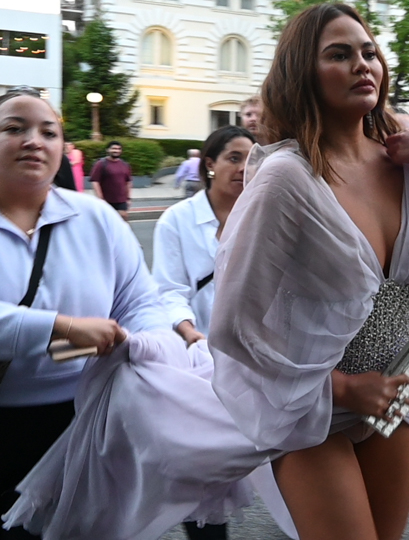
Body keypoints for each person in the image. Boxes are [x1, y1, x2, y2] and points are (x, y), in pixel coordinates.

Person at [207, 3, 409, 540]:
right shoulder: (285, 177)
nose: (362, 64)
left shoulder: (407, 162)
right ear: (303, 73)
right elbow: (233, 327)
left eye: (369, 52)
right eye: (339, 54)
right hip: (310, 401)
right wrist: (344, 389)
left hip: (399, 388)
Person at [0, 89, 163, 540]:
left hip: (77, 425)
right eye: (14, 128)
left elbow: (140, 302)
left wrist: (155, 346)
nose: (34, 140)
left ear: (62, 148)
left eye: (48, 131)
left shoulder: (97, 219)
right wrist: (61, 327)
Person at [153, 128, 296, 539]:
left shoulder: (270, 215)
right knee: (204, 477)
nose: (243, 168)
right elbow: (168, 290)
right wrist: (190, 333)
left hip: (261, 362)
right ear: (209, 164)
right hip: (198, 366)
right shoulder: (177, 221)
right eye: (233, 158)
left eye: (252, 159)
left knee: (285, 463)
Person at [91, 140, 133, 221]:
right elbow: (95, 181)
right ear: (108, 150)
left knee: (123, 219)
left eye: (118, 149)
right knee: (107, 222)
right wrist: (100, 199)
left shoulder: (125, 164)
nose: (116, 151)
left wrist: (128, 198)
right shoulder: (101, 163)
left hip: (121, 200)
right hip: (106, 200)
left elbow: (128, 182)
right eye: (113, 149)